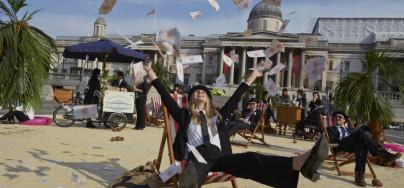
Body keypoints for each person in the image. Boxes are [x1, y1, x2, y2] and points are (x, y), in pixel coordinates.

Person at [144, 63, 329, 188]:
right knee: (195, 168)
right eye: (196, 92)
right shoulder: (183, 115)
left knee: (250, 159)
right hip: (197, 155)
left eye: (203, 92)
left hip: (219, 158)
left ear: (208, 99)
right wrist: (151, 73)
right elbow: (166, 97)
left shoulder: (217, 116)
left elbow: (235, 98)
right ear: (191, 98)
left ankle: (300, 163)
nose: (199, 93)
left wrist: (252, 76)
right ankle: (190, 180)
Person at [326, 111, 402, 187]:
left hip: (351, 147)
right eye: (335, 117)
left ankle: (359, 176)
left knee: (361, 144)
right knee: (361, 132)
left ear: (344, 120)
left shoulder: (350, 129)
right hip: (340, 145)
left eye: (340, 117)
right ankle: (383, 154)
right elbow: (332, 141)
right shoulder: (330, 129)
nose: (337, 118)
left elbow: (358, 138)